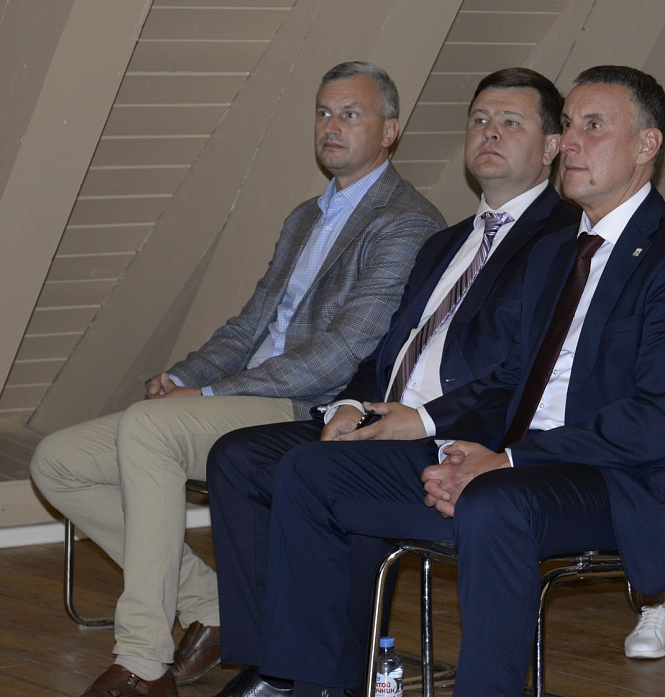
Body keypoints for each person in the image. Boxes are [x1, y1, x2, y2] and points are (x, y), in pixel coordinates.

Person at [212, 65, 665, 697]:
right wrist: (461, 445)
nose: (570, 142)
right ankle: (316, 686)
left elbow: (656, 420)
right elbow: (514, 376)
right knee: (311, 471)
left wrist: (508, 460)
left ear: (646, 144)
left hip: (626, 479)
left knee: (496, 504)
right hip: (521, 458)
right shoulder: (556, 250)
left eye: (593, 127)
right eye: (568, 125)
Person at [29, 61, 445, 697]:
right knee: (57, 462)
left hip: (306, 406)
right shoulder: (305, 216)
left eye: (350, 114)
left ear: (389, 131)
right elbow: (251, 326)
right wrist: (182, 375)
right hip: (243, 395)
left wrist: (210, 393)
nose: (331, 126)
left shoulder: (406, 220)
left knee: (149, 431)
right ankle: (213, 602)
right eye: (323, 112)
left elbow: (341, 353)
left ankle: (142, 660)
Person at [205, 67, 578, 690]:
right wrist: (352, 405)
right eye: (480, 120)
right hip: (387, 417)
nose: (489, 132)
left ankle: (317, 680)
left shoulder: (565, 242)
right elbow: (385, 348)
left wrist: (422, 419)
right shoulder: (447, 243)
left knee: (317, 473)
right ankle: (271, 664)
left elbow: (526, 373)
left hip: (460, 438)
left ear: (551, 147)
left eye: (511, 122)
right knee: (239, 458)